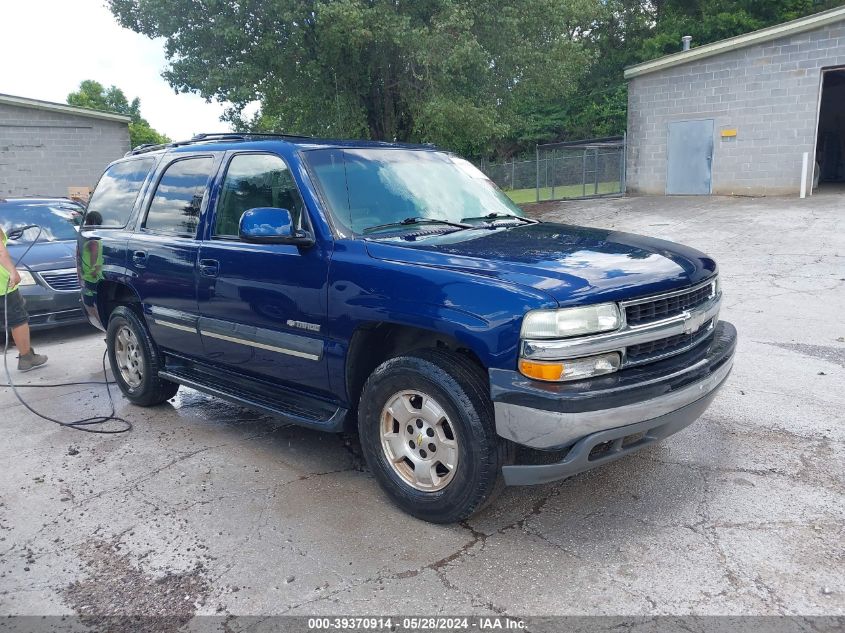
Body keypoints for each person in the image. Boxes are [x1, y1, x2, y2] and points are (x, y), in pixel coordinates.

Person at [0, 227, 48, 371]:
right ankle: (26, 357)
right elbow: (0, 252)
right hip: (3, 285)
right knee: (18, 319)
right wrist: (13, 272)